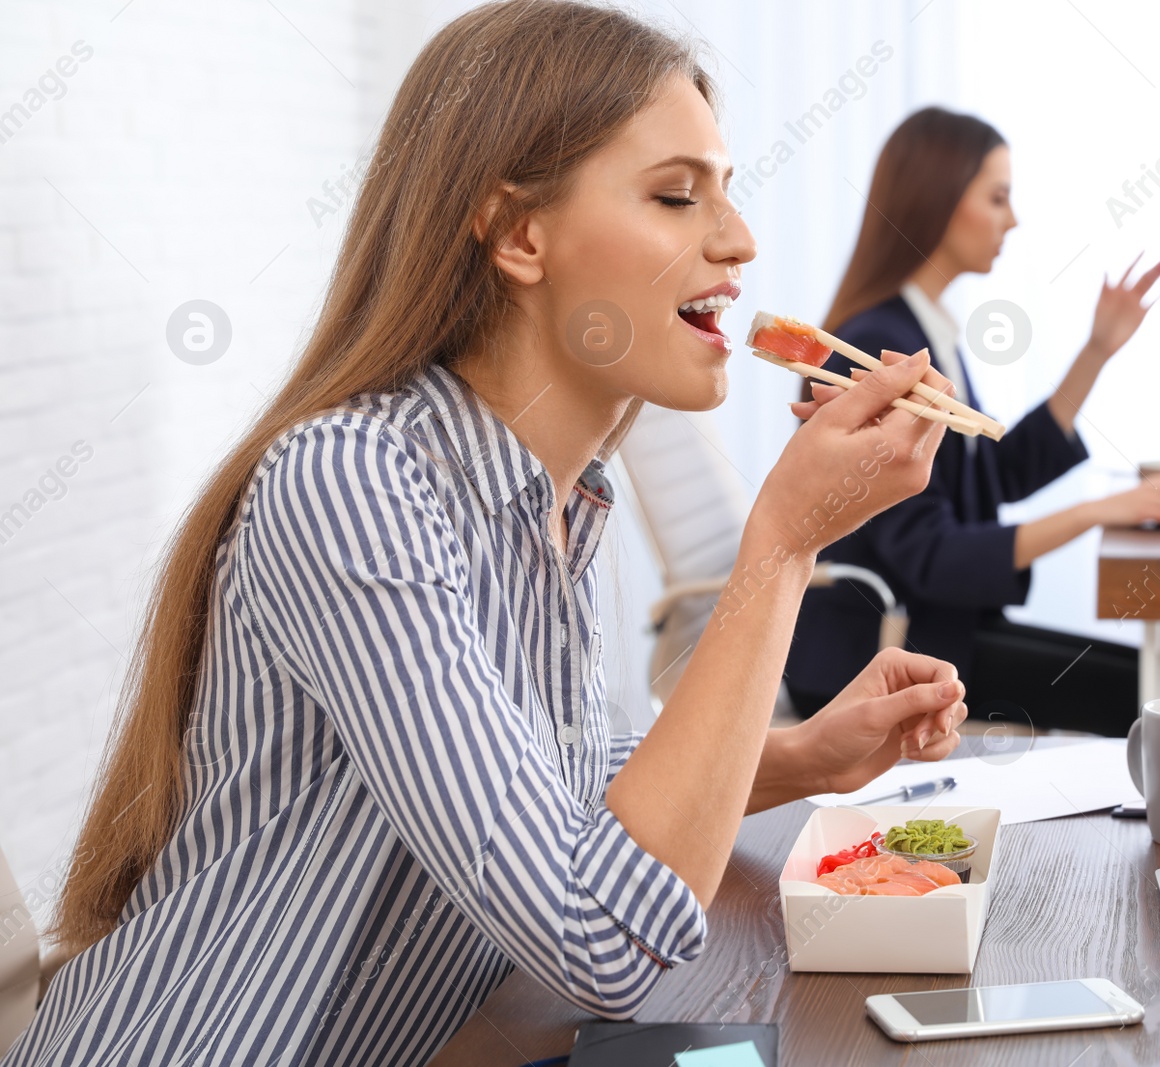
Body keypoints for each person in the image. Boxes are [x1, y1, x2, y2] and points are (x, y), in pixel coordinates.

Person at [8, 5, 970, 1064]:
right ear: (520, 234)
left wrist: (795, 757)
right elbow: (598, 938)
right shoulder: (354, 483)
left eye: (728, 191)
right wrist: (783, 544)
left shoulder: (560, 501)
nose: (739, 240)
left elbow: (540, 789)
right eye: (675, 194)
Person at [785, 107, 1160, 738]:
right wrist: (1100, 511)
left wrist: (1096, 351)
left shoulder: (921, 328)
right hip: (875, 652)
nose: (1011, 219)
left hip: (937, 624)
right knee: (1154, 693)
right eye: (997, 197)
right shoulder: (881, 345)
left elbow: (994, 473)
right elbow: (931, 554)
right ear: (939, 198)